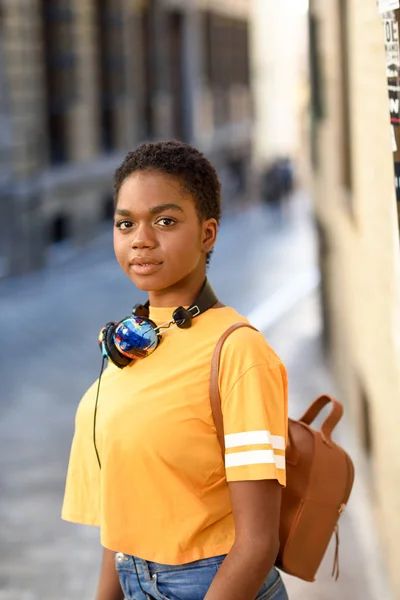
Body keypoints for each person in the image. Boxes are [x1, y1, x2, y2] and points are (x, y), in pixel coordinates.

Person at [62, 140, 289, 600]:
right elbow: (123, 516)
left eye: (164, 221)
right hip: (135, 578)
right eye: (126, 223)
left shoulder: (238, 352)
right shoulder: (133, 342)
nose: (141, 238)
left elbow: (257, 544)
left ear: (208, 234)